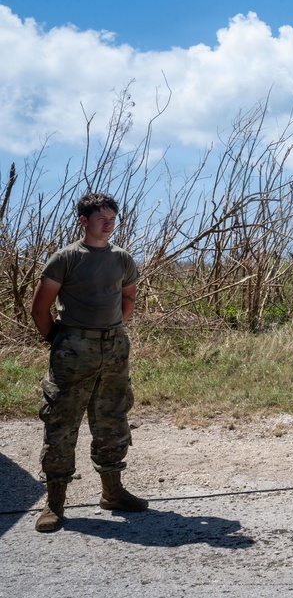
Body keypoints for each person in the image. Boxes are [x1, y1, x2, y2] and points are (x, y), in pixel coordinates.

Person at [30, 192, 148, 533]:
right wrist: (62, 340)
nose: (108, 223)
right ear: (84, 221)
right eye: (101, 218)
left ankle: (112, 493)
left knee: (112, 419)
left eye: (112, 217)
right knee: (62, 424)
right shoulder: (66, 258)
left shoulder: (123, 258)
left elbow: (128, 301)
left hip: (113, 349)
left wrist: (110, 334)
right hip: (73, 351)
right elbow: (40, 310)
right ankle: (54, 503)